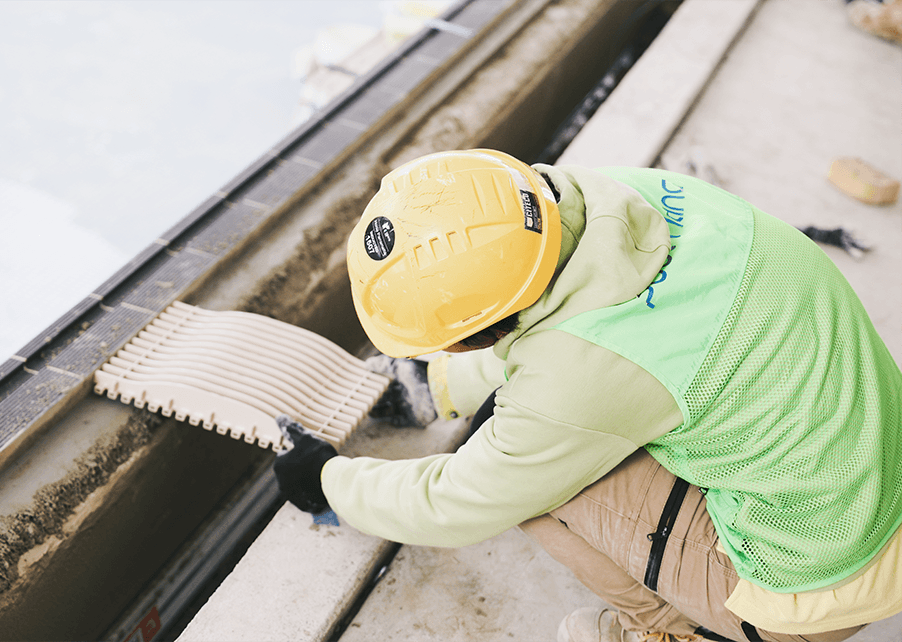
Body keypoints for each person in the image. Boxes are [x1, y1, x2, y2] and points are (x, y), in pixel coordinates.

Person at [273, 149, 902, 642]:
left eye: (446, 349)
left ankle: (672, 632)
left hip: (810, 589)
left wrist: (328, 483)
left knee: (540, 487)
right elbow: (569, 325)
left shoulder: (582, 376)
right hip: (871, 484)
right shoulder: (617, 199)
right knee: (547, 428)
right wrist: (438, 390)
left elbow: (460, 500)